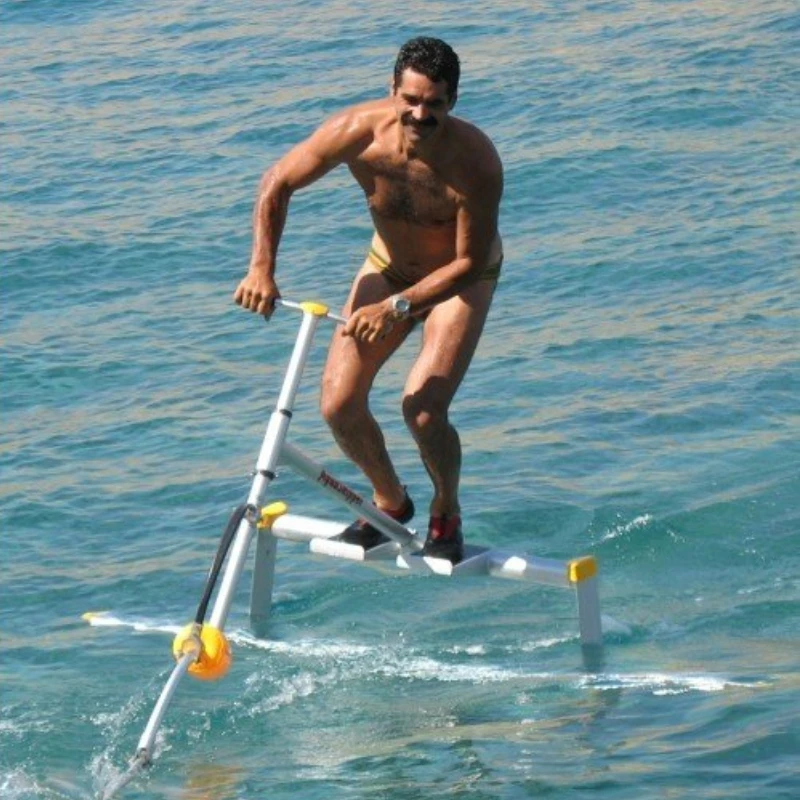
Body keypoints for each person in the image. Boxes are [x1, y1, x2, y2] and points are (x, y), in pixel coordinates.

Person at [234, 36, 503, 564]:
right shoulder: (357, 132)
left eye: (435, 104)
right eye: (411, 99)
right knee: (338, 403)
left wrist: (400, 308)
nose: (420, 114)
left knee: (423, 411)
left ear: (453, 101)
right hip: (389, 267)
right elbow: (277, 181)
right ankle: (390, 501)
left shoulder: (475, 162)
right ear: (393, 90)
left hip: (459, 279)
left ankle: (445, 509)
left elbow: (468, 262)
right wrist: (262, 267)